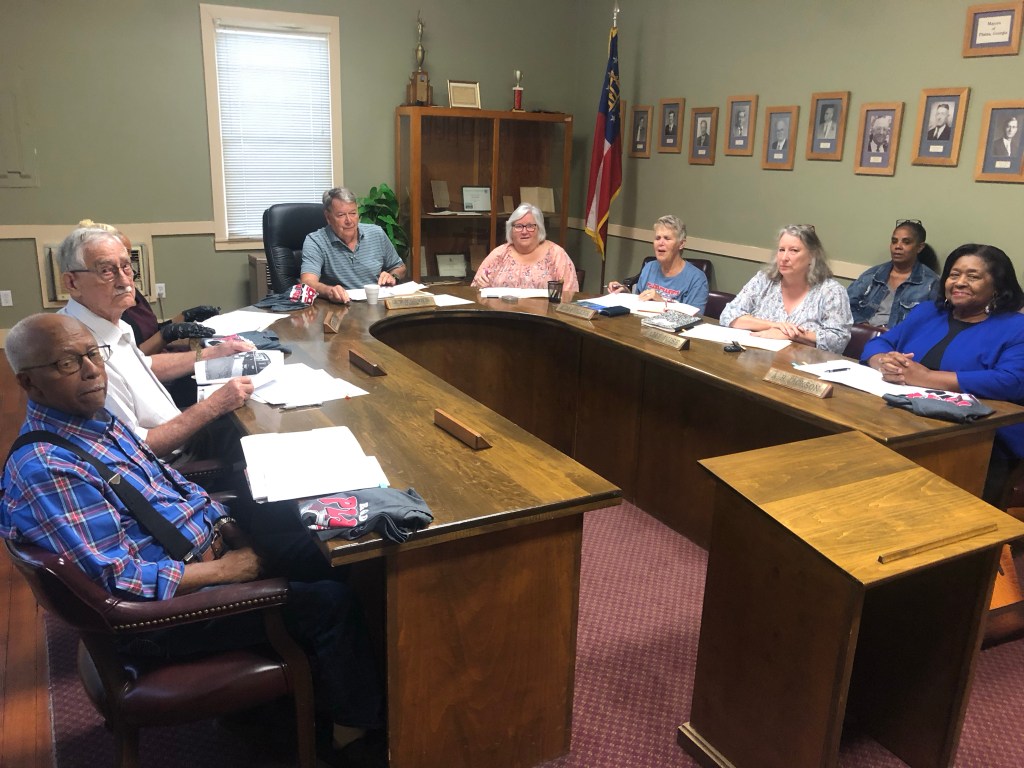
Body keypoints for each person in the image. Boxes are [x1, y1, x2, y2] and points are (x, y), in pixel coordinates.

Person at [0, 313, 385, 766]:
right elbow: (117, 580)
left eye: (93, 354)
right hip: (161, 618)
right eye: (68, 363)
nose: (91, 371)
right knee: (330, 602)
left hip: (205, 557)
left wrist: (226, 525)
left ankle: (321, 691)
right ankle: (354, 736)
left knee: (336, 548)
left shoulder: (94, 420)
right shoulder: (48, 468)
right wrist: (226, 570)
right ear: (29, 382)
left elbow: (169, 484)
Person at [56, 225, 253, 459]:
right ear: (72, 283)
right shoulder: (86, 355)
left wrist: (213, 353)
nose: (124, 281)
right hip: (170, 464)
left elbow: (145, 365)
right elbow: (136, 449)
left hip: (179, 431)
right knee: (260, 431)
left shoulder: (109, 322)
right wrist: (215, 405)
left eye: (126, 266)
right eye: (106, 271)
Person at [861, 244, 1024, 502]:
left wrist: (927, 379)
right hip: (903, 423)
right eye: (954, 274)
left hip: (981, 440)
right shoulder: (927, 312)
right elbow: (879, 343)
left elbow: (1012, 381)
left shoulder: (1016, 327)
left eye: (973, 276)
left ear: (997, 286)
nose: (959, 282)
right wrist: (884, 361)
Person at [719, 224, 852, 354]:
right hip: (755, 358)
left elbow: (838, 340)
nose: (784, 258)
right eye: (781, 250)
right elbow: (728, 315)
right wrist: (774, 325)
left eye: (794, 250)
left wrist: (792, 335)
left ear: (812, 256)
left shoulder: (832, 291)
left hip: (802, 364)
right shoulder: (764, 280)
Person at [301, 187, 407, 305]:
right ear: (328, 217)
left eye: (353, 213)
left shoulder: (376, 233)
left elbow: (400, 267)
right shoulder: (316, 241)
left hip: (376, 304)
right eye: (341, 215)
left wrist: (393, 276)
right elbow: (307, 282)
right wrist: (329, 291)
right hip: (340, 307)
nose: (349, 221)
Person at [846, 220, 940, 328]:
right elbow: (846, 305)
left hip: (902, 337)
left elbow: (934, 322)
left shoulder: (931, 282)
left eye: (906, 242)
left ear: (919, 247)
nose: (898, 246)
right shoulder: (873, 275)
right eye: (894, 241)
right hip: (867, 333)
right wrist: (864, 325)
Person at [606, 215, 708, 313]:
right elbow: (638, 301)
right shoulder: (649, 268)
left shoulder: (697, 278)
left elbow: (694, 317)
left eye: (667, 238)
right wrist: (624, 293)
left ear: (681, 244)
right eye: (657, 238)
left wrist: (662, 303)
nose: (660, 243)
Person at [470, 203, 579, 292]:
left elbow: (570, 295)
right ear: (511, 230)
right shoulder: (499, 254)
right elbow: (474, 289)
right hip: (501, 312)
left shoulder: (556, 254)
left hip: (545, 313)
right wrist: (480, 285)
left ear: (539, 228)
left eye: (530, 226)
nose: (524, 231)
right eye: (518, 226)